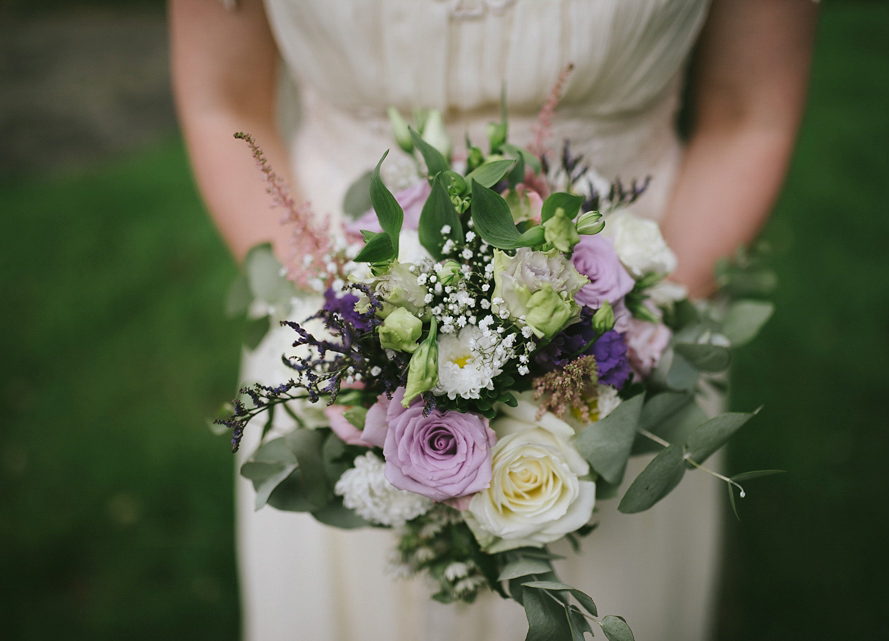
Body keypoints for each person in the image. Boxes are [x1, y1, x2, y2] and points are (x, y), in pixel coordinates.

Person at [169, 1, 818, 639]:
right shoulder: (343, 344)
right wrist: (360, 343)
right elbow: (223, 104)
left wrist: (625, 344)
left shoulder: (626, 354)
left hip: (618, 362)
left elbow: (748, 115)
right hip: (334, 325)